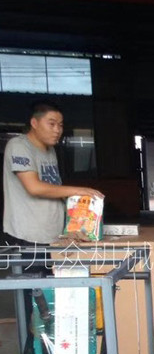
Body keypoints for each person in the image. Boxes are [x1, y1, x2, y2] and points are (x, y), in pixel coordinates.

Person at [2, 99, 102, 248]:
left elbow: (55, 188)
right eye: (52, 124)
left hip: (52, 234)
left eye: (60, 125)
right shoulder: (19, 146)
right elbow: (34, 188)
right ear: (34, 123)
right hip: (28, 235)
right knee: (32, 265)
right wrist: (79, 190)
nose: (57, 130)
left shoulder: (50, 150)